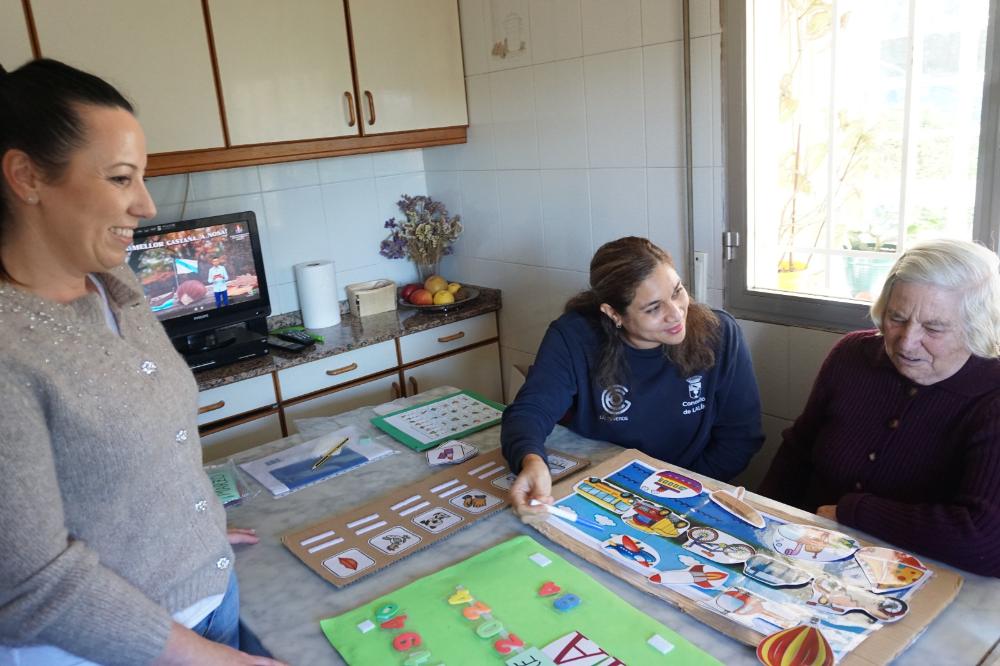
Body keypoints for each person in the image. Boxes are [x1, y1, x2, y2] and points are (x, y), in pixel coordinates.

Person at [0, 59, 284, 665]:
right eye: (121, 178)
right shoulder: (10, 346)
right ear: (27, 177)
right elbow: (28, 585)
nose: (147, 205)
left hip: (211, 597)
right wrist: (211, 658)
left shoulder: (116, 284)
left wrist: (191, 531)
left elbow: (138, 455)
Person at [759, 239, 1000, 577]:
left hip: (923, 579)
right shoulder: (852, 355)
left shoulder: (991, 397)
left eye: (933, 328)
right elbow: (797, 451)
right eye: (896, 317)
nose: (906, 342)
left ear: (979, 326)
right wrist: (759, 523)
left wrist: (852, 513)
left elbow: (985, 542)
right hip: (809, 555)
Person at [502, 236, 764, 518]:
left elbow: (740, 438)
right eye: (653, 308)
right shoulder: (575, 337)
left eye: (677, 291)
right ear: (613, 313)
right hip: (602, 487)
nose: (676, 313)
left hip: (690, 491)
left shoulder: (720, 334)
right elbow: (531, 410)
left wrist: (679, 495)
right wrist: (531, 460)